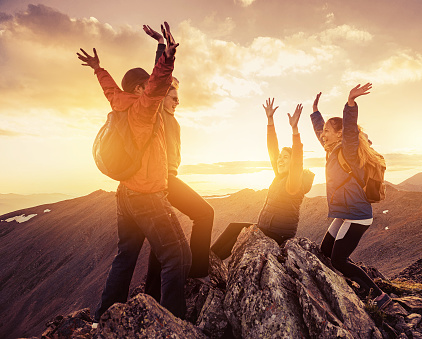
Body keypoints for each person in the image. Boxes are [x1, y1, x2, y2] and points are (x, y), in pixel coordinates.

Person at [77, 22, 192, 322]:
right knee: (177, 257)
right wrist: (167, 58)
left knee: (125, 258)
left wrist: (98, 68)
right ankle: (173, 324)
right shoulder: (143, 110)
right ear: (141, 88)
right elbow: (158, 82)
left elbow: (109, 85)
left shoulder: (119, 101)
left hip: (125, 195)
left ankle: (104, 317)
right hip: (147, 196)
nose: (153, 86)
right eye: (146, 83)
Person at [141, 25, 214, 298]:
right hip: (162, 181)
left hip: (164, 181)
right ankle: (198, 272)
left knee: (161, 241)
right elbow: (156, 83)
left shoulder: (173, 122)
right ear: (162, 97)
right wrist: (162, 48)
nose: (177, 102)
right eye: (173, 97)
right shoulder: (156, 115)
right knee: (205, 214)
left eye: (178, 98)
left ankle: (149, 294)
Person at [310, 84, 391, 310]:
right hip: (345, 214)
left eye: (327, 130)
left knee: (338, 260)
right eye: (323, 131)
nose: (322, 134)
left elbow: (350, 130)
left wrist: (350, 103)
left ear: (339, 134)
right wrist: (316, 112)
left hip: (356, 215)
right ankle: (360, 285)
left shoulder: (349, 151)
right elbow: (320, 133)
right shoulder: (332, 149)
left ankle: (379, 295)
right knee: (325, 252)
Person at [211, 98, 315, 259]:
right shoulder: (280, 176)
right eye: (280, 157)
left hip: (277, 233)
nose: (280, 159)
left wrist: (295, 130)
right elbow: (272, 150)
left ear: (292, 162)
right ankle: (211, 259)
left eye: (285, 158)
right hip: (266, 227)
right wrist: (270, 121)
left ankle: (209, 261)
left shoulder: (293, 183)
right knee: (234, 228)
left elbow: (297, 162)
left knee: (241, 233)